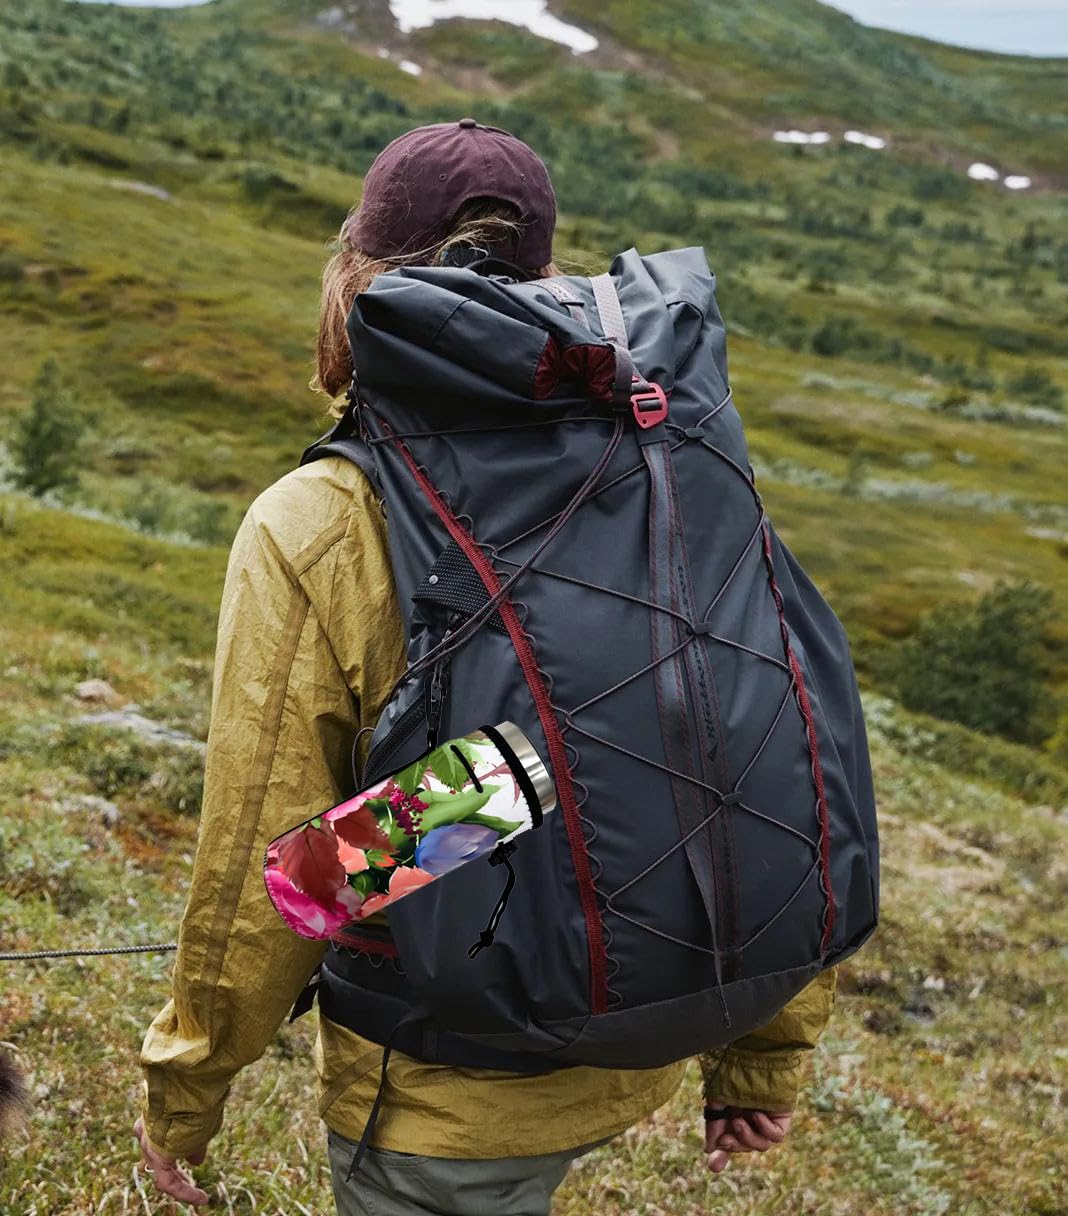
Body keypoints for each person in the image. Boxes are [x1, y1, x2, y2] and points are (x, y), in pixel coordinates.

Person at [135, 119, 840, 1215]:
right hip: (648, 1017)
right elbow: (758, 748)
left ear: (356, 276)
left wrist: (187, 1086)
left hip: (444, 1090)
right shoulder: (663, 460)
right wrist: (762, 1046)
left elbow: (261, 852)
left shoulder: (321, 517)